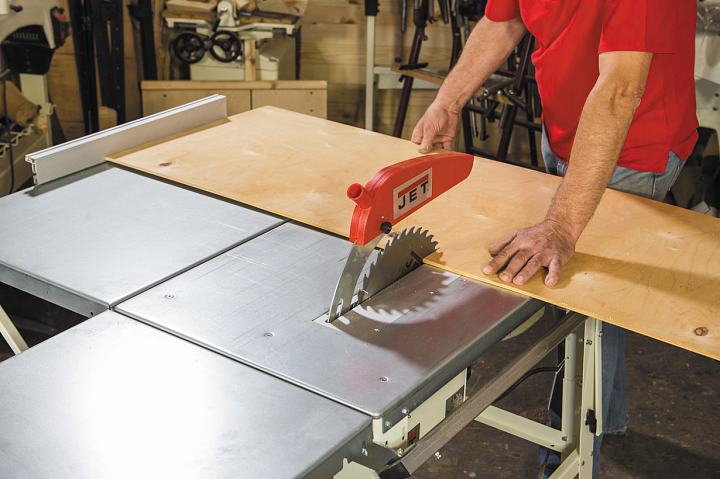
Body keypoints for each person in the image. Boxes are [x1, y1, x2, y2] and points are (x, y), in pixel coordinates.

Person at [411, 1, 698, 477]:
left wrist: (561, 226)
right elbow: (505, 19)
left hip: (634, 145)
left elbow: (620, 91)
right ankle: (609, 417)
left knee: (580, 299)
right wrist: (448, 101)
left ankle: (569, 462)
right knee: (594, 299)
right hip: (567, 132)